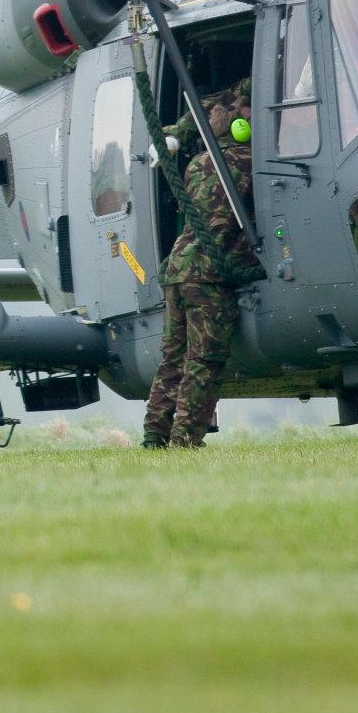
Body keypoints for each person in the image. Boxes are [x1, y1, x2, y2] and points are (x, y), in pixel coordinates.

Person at [142, 78, 254, 449]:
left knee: (172, 358)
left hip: (178, 270)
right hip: (209, 276)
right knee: (203, 361)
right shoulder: (248, 162)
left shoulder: (197, 164)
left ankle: (154, 435)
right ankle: (185, 440)